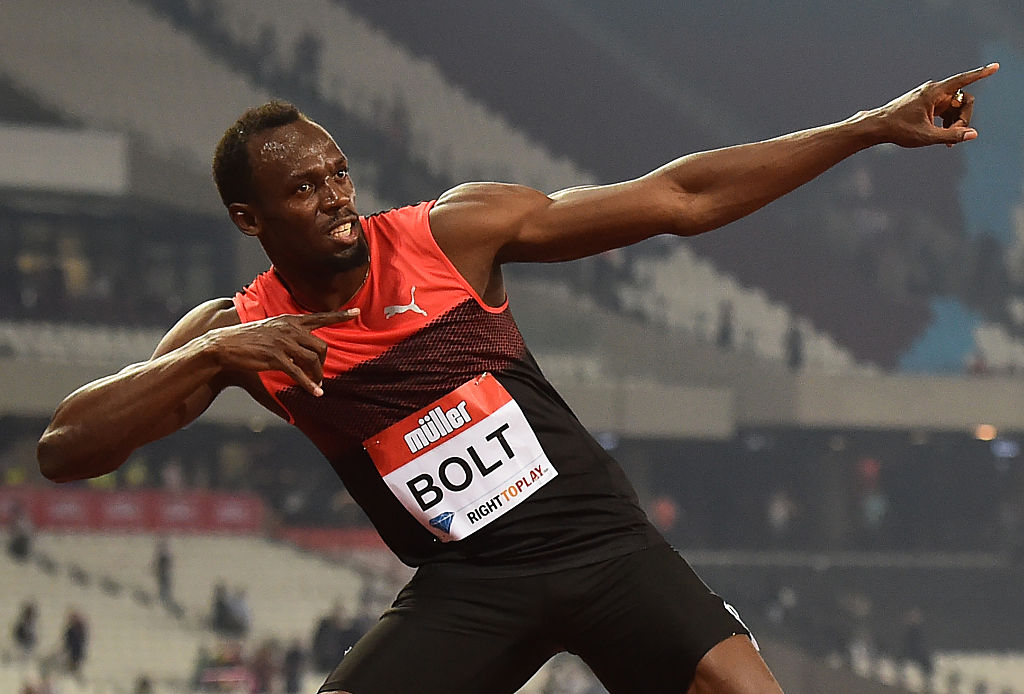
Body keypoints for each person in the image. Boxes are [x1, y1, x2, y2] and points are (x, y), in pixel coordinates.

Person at [36, 62, 998, 694]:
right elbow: (65, 451)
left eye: (336, 174)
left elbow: (678, 198)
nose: (334, 199)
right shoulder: (240, 332)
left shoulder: (452, 233)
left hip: (605, 546)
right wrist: (207, 353)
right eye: (301, 190)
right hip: (470, 583)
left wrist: (871, 128)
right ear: (251, 220)